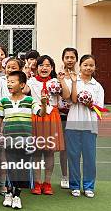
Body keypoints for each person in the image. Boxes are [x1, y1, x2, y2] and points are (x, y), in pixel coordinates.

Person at [0, 71, 46, 210]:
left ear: (22, 84)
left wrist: (44, 104)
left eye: (13, 81)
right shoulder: (4, 101)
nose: (9, 84)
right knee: (10, 167)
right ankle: (9, 193)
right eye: (8, 81)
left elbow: (41, 113)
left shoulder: (30, 101)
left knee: (22, 169)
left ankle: (17, 195)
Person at [64, 54, 105, 198]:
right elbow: (73, 100)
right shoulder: (73, 81)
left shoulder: (97, 86)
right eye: (85, 65)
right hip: (73, 124)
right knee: (73, 156)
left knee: (89, 157)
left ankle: (89, 186)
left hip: (90, 126)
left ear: (95, 68)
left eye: (91, 65)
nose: (88, 68)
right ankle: (74, 185)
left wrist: (90, 104)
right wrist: (75, 83)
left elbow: (100, 109)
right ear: (80, 66)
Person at [27, 55, 67, 196]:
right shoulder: (31, 82)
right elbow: (24, 91)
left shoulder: (56, 81)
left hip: (52, 116)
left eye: (48, 65)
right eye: (41, 65)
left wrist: (62, 80)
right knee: (37, 152)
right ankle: (37, 182)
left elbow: (66, 96)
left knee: (49, 151)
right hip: (37, 116)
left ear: (52, 68)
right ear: (36, 67)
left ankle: (47, 183)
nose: (44, 68)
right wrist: (27, 72)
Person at [57, 47, 79, 189]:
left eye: (72, 57)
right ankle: (65, 176)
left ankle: (74, 176)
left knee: (75, 148)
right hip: (61, 116)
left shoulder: (80, 75)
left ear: (76, 59)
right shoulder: (57, 75)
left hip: (76, 115)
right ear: (63, 59)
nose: (70, 60)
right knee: (64, 148)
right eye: (67, 57)